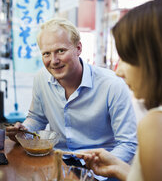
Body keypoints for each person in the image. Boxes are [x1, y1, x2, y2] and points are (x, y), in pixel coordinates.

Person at [6, 18, 137, 167]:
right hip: (57, 160)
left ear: (78, 48)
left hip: (103, 168)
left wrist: (98, 168)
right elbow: (37, 118)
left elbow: (128, 143)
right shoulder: (41, 78)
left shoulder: (112, 84)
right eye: (46, 54)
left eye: (60, 51)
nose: (53, 60)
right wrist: (24, 131)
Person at [80, 0, 162, 181]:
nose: (118, 71)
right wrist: (120, 168)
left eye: (126, 58)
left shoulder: (156, 123)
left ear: (153, 59)